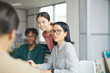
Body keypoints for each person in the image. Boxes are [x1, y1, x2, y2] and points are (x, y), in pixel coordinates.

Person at [0, 1, 40, 73]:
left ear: (36, 37)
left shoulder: (40, 48)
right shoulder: (22, 48)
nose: (30, 38)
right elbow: (12, 57)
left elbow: (38, 63)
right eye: (28, 36)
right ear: (12, 34)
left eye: (32, 36)